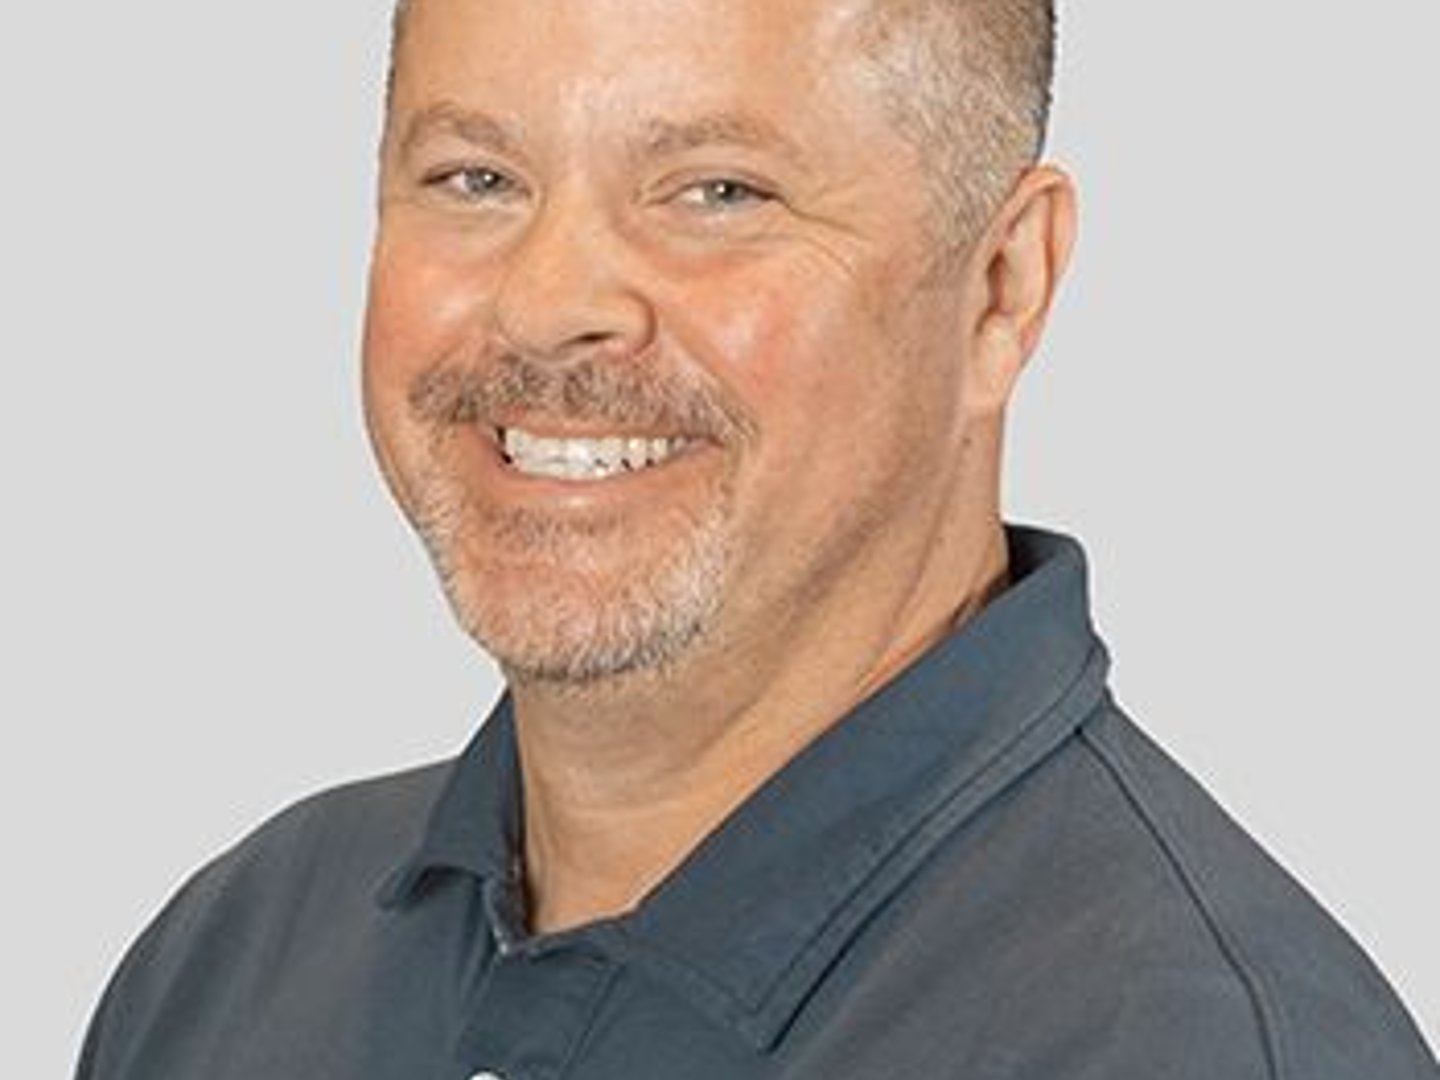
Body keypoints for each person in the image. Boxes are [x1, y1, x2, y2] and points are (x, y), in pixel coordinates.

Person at [76, 0, 1437, 1076]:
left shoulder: (1184, 1044)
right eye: (475, 176)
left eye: (718, 192)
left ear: (1001, 288)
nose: (549, 304)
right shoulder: (235, 960)